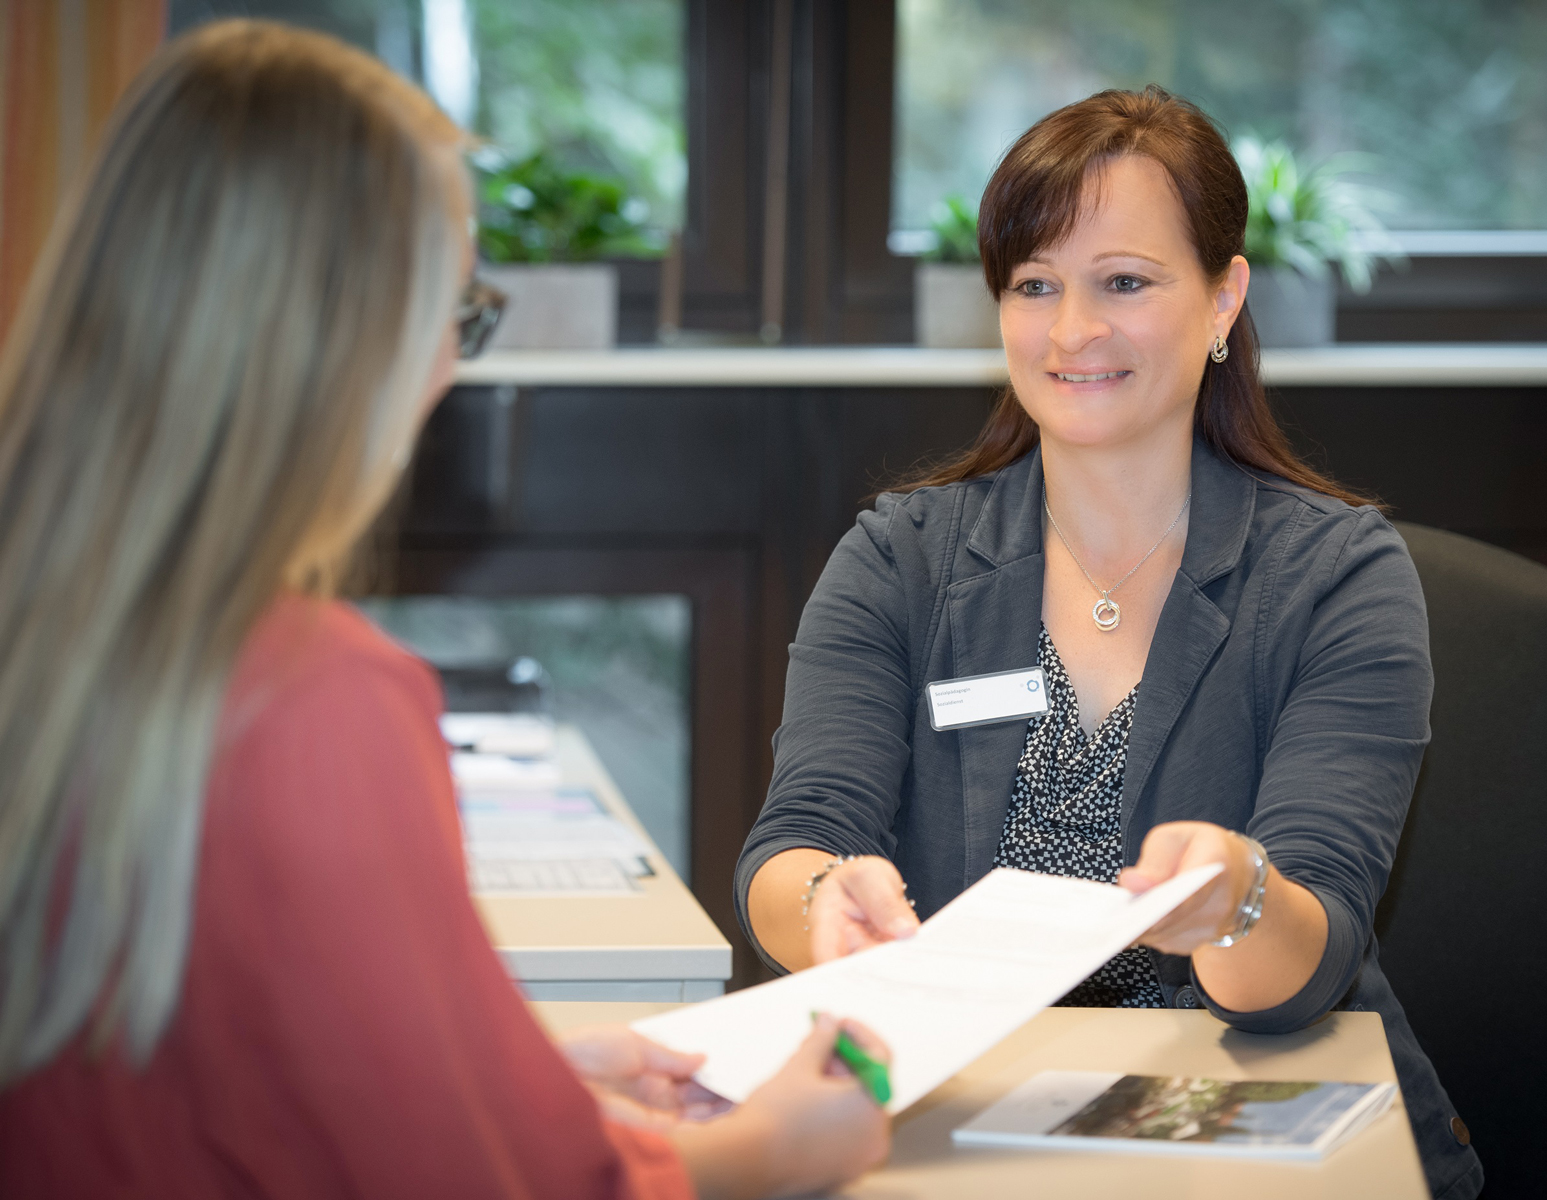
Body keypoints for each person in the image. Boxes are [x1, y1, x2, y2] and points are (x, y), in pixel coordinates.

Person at [0, 22, 887, 1199]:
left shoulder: (57, 629)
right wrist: (776, 1149)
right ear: (346, 332)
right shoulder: (316, 700)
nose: (447, 371)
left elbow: (224, 1062)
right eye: (455, 313)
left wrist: (535, 1077)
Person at [737, 86, 1481, 1200]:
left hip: (1248, 1136)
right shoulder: (902, 560)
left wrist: (1238, 895)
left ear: (1224, 297)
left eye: (1123, 283)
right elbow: (791, 847)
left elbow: (1299, 968)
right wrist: (820, 904)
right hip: (963, 1133)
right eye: (1035, 286)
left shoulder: (1337, 578)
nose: (1072, 330)